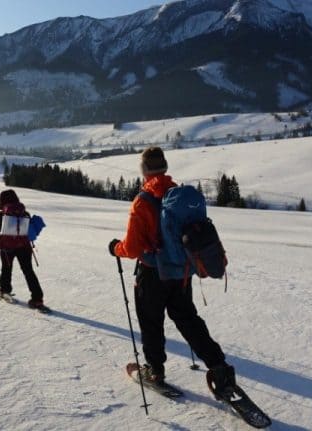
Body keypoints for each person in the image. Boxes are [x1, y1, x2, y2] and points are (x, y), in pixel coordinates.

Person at [108, 146, 237, 399]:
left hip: (153, 274)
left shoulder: (142, 201)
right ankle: (219, 367)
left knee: (151, 322)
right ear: (165, 167)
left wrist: (115, 248)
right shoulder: (180, 196)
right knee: (188, 319)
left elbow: (132, 248)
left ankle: (155, 371)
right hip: (182, 273)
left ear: (144, 170)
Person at [0, 189, 45, 310]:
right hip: (24, 247)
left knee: (6, 269)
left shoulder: (2, 215)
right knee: (28, 271)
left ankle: (5, 290)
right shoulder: (25, 213)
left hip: (7, 248)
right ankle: (37, 298)